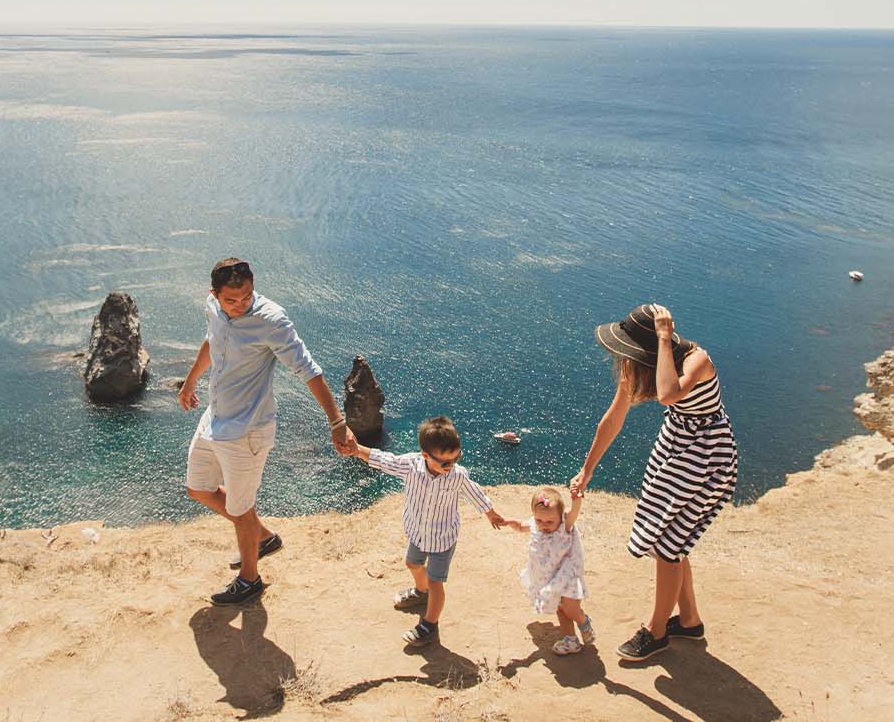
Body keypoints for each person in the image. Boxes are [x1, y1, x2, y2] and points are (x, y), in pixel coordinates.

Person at [179, 258, 357, 607]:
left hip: (247, 430)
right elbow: (212, 342)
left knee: (241, 508)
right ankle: (263, 539)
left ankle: (250, 579)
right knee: (198, 488)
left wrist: (337, 423)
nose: (240, 304)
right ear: (214, 294)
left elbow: (309, 370)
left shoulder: (271, 319)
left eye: (246, 296)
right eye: (231, 299)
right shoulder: (214, 309)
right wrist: (190, 380)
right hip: (215, 418)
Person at [570, 303, 737, 662]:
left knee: (668, 544)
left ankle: (656, 631)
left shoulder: (697, 360)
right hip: (676, 445)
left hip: (706, 455)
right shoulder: (642, 366)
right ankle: (689, 622)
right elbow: (613, 418)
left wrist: (663, 340)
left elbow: (669, 395)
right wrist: (588, 469)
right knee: (672, 540)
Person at [346, 416, 513, 647]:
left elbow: (474, 492)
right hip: (418, 531)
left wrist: (490, 513)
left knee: (437, 582)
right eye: (445, 462)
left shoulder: (457, 475)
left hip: (443, 538)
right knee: (412, 564)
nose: (451, 465)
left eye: (456, 458)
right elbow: (384, 459)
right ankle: (420, 592)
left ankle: (429, 625)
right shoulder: (411, 465)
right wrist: (357, 450)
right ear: (425, 455)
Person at [502, 486, 593, 655]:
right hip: (551, 579)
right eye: (539, 520)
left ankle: (584, 621)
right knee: (560, 609)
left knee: (570, 608)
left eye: (549, 522)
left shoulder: (564, 528)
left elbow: (573, 513)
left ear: (560, 518)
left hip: (567, 575)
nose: (544, 525)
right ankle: (570, 640)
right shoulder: (536, 526)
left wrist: (576, 499)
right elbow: (522, 525)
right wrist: (508, 522)